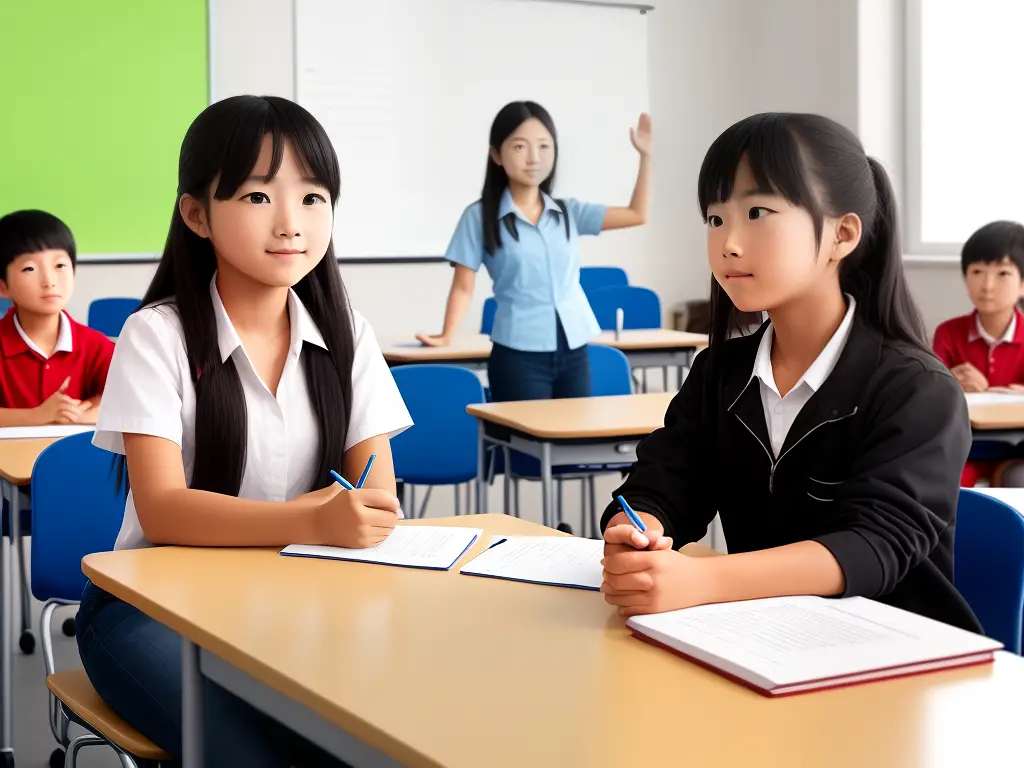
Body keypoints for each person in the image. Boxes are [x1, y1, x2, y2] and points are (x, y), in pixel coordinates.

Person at [79, 95, 412, 765]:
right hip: (149, 606)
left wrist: (343, 521)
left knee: (375, 735)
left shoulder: (351, 336)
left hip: (300, 598)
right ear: (197, 214)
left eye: (314, 197)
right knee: (257, 752)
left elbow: (377, 498)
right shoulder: (157, 335)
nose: (292, 222)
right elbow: (163, 511)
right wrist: (308, 521)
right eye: (259, 196)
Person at [600, 112, 980, 633]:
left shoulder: (917, 388)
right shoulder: (720, 373)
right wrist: (634, 532)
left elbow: (872, 545)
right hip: (765, 646)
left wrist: (701, 582)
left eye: (757, 212)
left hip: (896, 660)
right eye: (714, 219)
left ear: (842, 235)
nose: (728, 242)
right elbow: (664, 482)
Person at [417, 101, 651, 403]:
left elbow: (637, 214)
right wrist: (447, 334)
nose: (533, 158)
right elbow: (464, 287)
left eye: (544, 146)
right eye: (519, 147)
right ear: (496, 154)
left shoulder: (569, 212)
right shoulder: (479, 217)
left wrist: (646, 156)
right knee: (526, 446)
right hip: (518, 355)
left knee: (572, 440)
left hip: (575, 348)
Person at [0, 209, 114, 425]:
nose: (50, 281)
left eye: (60, 265)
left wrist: (84, 416)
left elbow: (130, 400)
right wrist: (37, 416)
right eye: (29, 268)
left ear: (74, 272)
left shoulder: (96, 346)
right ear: (3, 286)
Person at [932, 221, 1024, 486]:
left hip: (1018, 452)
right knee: (947, 484)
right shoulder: (948, 333)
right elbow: (930, 394)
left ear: (1022, 285)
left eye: (1003, 273)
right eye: (977, 271)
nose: (987, 285)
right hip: (965, 450)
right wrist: (951, 382)